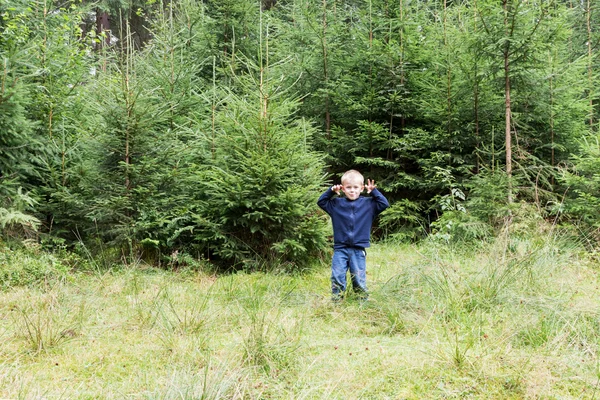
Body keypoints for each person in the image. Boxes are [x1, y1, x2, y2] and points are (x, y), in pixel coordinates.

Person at [317, 169, 389, 300]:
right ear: (343, 188)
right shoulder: (336, 204)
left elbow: (384, 204)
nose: (352, 190)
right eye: (348, 187)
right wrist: (331, 191)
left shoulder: (369, 204)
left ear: (361, 188)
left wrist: (374, 192)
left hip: (358, 249)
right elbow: (321, 202)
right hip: (340, 249)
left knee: (358, 277)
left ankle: (362, 302)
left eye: (355, 187)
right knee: (337, 276)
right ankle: (337, 301)